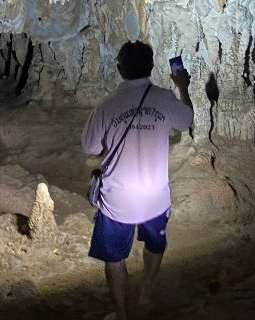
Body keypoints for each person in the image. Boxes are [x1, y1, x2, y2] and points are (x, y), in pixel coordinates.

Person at [81, 41, 193, 320]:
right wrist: (183, 86)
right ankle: (145, 294)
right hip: (155, 196)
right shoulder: (165, 98)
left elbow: (90, 148)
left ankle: (121, 314)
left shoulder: (107, 105)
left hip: (118, 199)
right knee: (155, 244)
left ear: (120, 69)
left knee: (115, 258)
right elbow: (186, 120)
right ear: (152, 67)